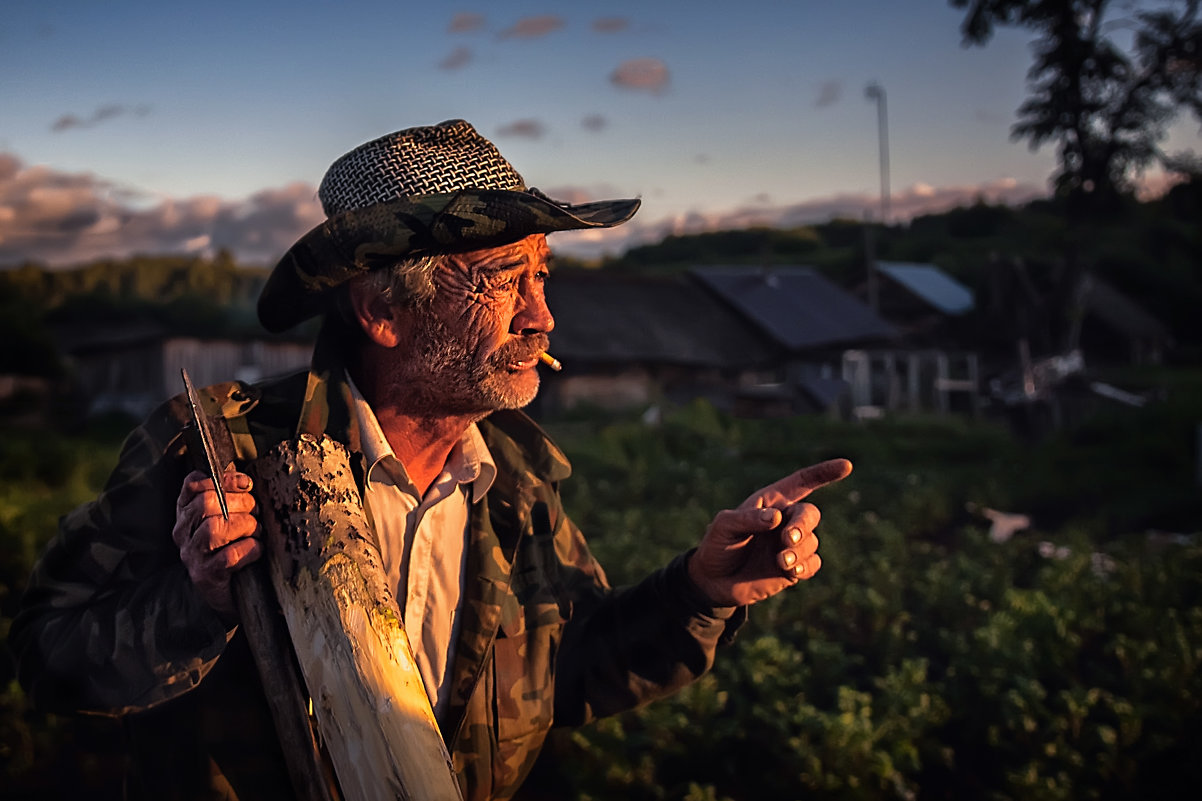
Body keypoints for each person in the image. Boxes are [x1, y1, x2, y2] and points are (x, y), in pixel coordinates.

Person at [10, 119, 852, 801]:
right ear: (382, 309)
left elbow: (572, 668)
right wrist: (197, 601)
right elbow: (48, 657)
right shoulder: (216, 450)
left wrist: (703, 590)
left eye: (543, 276)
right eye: (501, 280)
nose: (542, 318)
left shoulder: (519, 484)